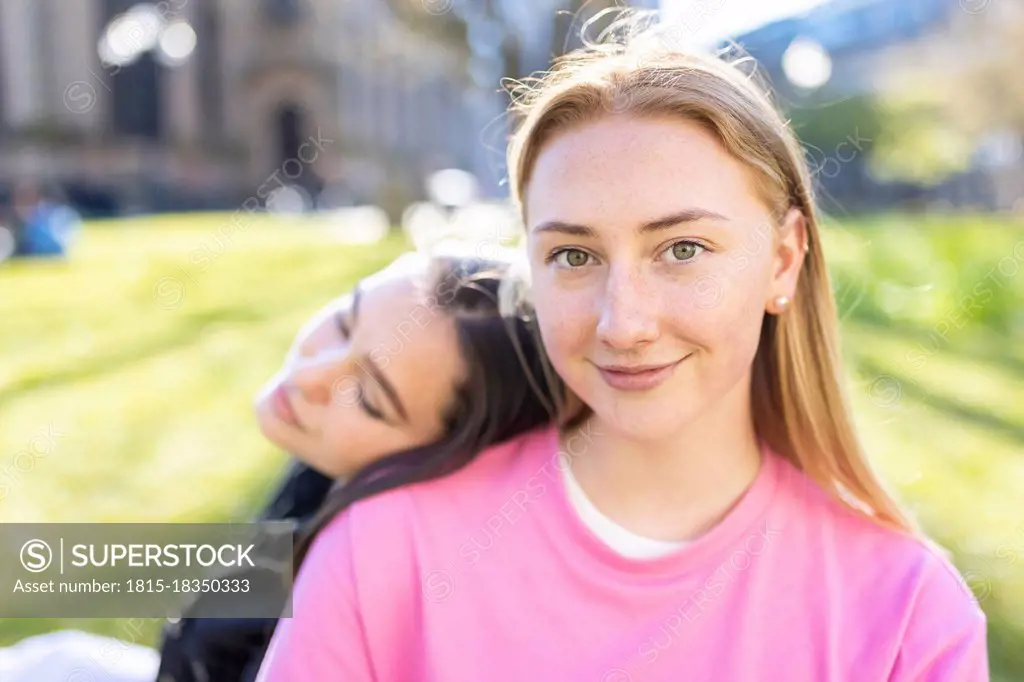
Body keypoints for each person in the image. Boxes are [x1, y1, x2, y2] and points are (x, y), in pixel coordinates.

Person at [256, 13, 989, 682]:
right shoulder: (376, 557)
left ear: (783, 259)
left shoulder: (908, 617)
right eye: (574, 257)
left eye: (683, 248)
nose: (623, 325)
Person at [0, 251, 575, 682]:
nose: (311, 375)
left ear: (444, 466)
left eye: (369, 397)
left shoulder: (365, 585)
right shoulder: (328, 473)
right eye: (345, 322)